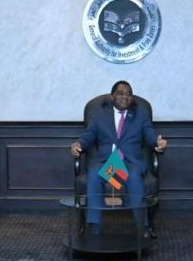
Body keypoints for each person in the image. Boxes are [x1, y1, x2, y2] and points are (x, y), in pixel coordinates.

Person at [70, 81, 167, 235]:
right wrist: (78, 144)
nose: (125, 97)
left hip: (130, 162)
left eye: (129, 94)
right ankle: (94, 226)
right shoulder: (99, 115)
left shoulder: (140, 115)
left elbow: (150, 135)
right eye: (120, 93)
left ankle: (143, 227)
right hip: (109, 163)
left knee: (133, 175)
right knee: (94, 174)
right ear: (112, 97)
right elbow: (89, 135)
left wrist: (158, 142)